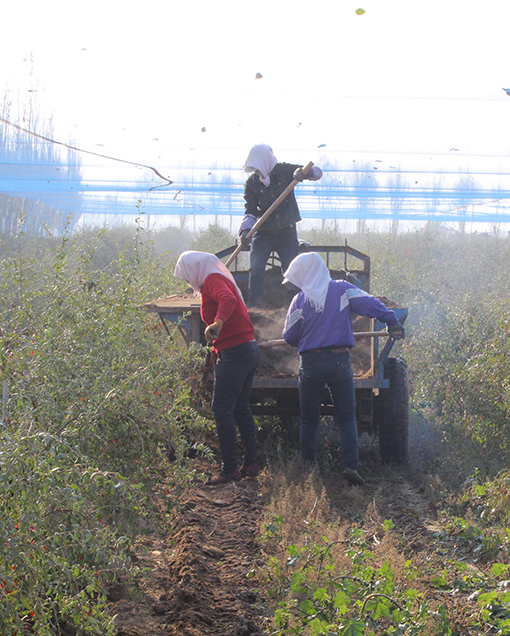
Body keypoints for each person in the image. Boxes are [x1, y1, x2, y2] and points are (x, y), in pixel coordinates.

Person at [281, 252, 405, 486]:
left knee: (309, 419)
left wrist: (308, 338)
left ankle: (308, 469)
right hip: (339, 362)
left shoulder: (299, 300)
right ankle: (350, 465)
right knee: (347, 418)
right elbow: (370, 304)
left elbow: (289, 335)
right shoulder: (342, 290)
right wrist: (392, 320)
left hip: (311, 364)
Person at [174, 251, 261, 485]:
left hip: (235, 353)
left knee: (221, 410)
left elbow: (228, 301)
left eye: (186, 276)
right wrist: (215, 351)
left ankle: (230, 469)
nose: (187, 281)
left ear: (194, 269)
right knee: (241, 408)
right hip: (247, 349)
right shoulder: (215, 279)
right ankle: (250, 463)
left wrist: (218, 323)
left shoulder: (213, 281)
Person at [239, 143, 323, 308]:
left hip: (286, 231)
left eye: (257, 167)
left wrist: (303, 173)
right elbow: (250, 210)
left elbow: (317, 173)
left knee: (292, 270)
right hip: (262, 233)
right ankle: (255, 307)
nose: (256, 171)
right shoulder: (251, 184)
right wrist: (246, 231)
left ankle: (297, 305)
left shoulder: (285, 171)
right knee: (256, 269)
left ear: (264, 161)